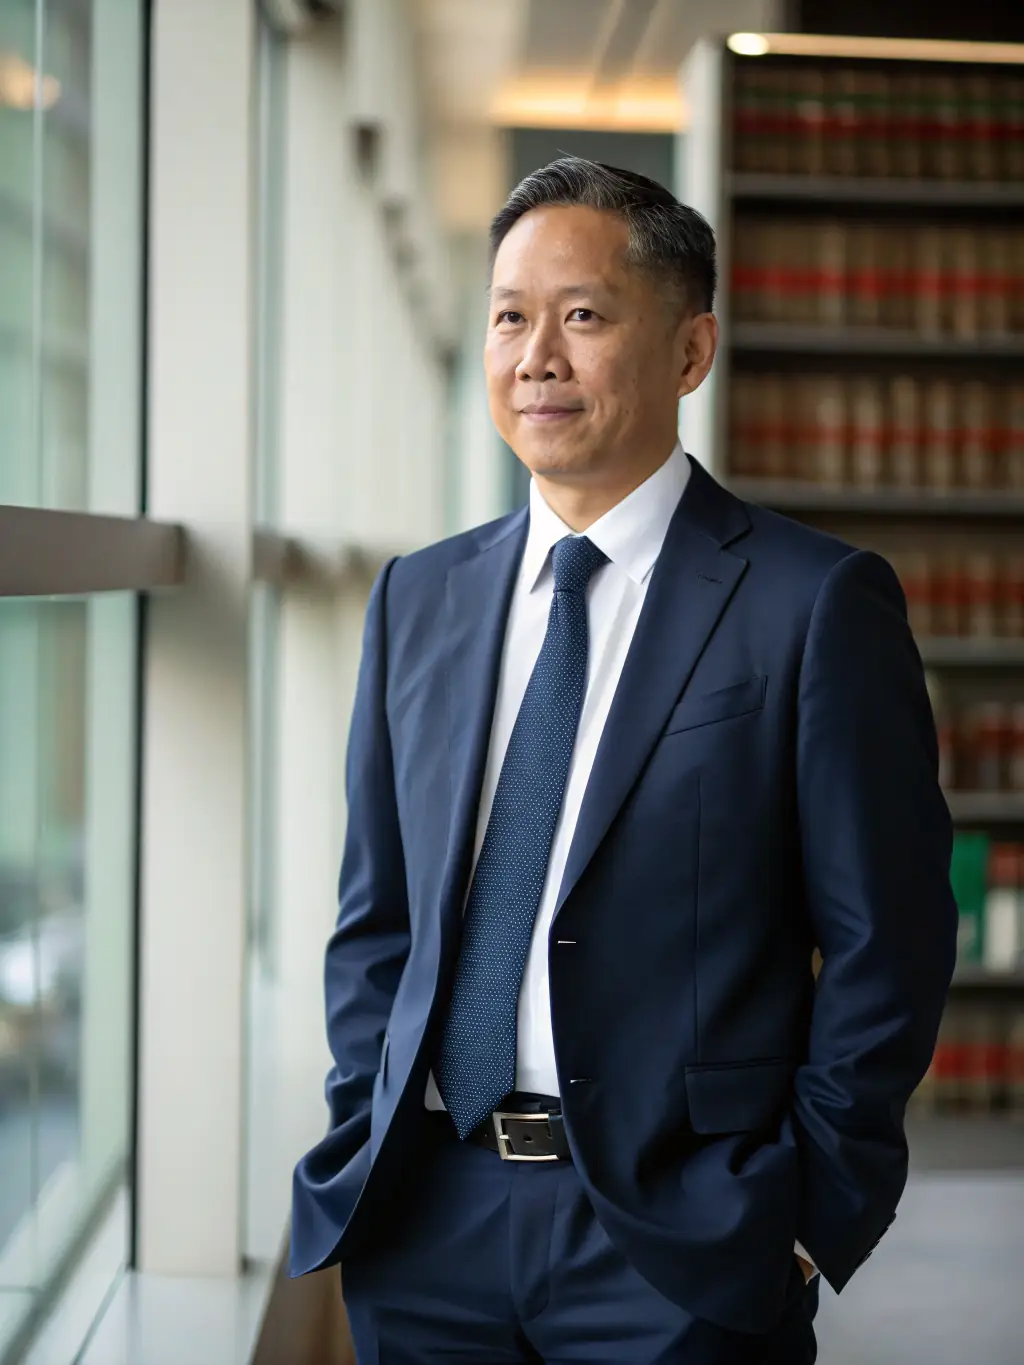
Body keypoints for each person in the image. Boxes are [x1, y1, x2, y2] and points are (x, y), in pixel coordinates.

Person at [289, 157, 957, 1363]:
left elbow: (888, 938)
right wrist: (359, 1123)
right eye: (508, 317)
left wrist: (810, 1211)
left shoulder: (812, 605)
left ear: (690, 352)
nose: (535, 355)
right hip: (427, 1222)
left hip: (683, 1238)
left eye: (583, 316)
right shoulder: (419, 599)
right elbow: (375, 917)